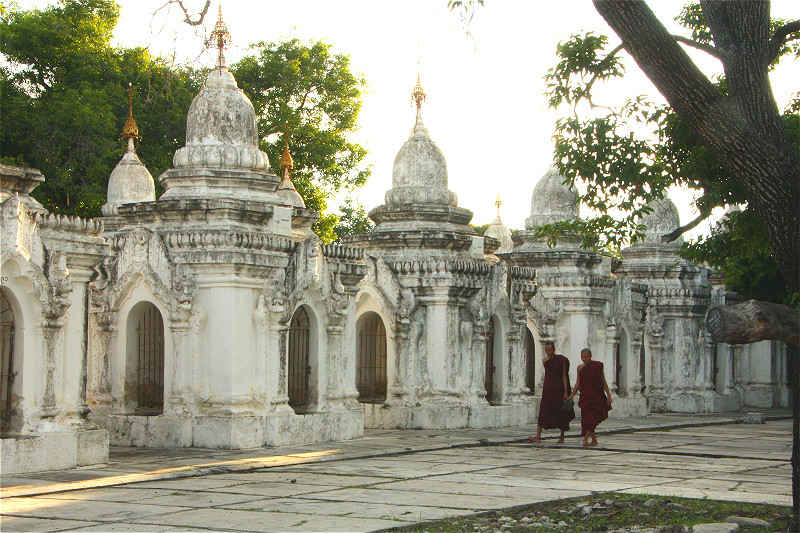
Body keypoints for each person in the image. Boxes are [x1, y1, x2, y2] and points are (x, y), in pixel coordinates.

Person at [529, 341, 573, 444]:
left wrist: (566, 392)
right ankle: (538, 436)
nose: (548, 352)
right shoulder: (545, 361)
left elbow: (564, 376)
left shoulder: (561, 360)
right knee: (543, 411)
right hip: (548, 389)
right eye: (546, 350)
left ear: (554, 349)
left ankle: (562, 437)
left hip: (559, 389)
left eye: (550, 350)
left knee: (562, 412)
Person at [568, 348, 612, 447]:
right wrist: (571, 395)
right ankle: (594, 440)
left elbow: (603, 381)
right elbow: (578, 383)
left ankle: (585, 439)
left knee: (593, 419)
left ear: (590, 356)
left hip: (597, 396)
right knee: (587, 420)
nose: (584, 359)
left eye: (586, 357)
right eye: (582, 357)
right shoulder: (580, 368)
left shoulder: (598, 366)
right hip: (585, 397)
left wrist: (609, 395)